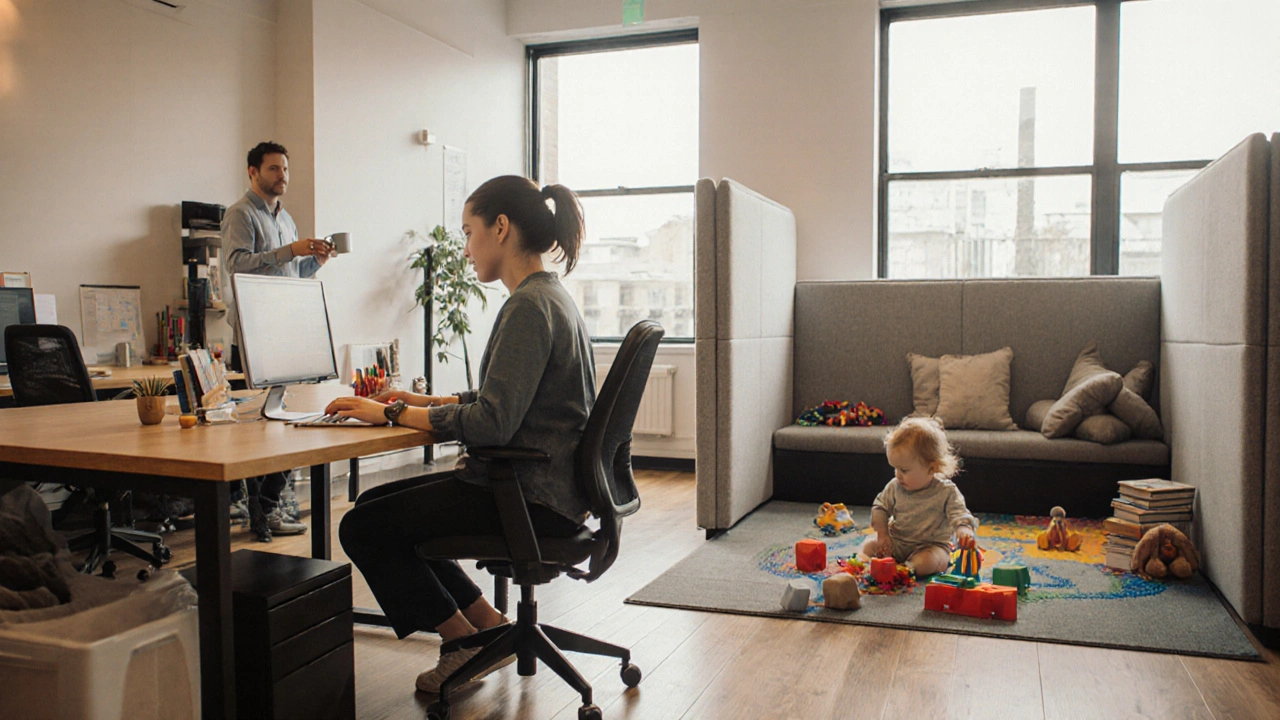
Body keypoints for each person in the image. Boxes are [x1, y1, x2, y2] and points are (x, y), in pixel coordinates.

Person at [324, 175, 593, 695]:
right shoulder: (549, 298)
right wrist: (416, 401)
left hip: (528, 496)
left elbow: (492, 423)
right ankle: (487, 625)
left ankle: (461, 642)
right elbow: (497, 400)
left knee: (362, 527)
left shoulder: (528, 308)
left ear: (500, 228)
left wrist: (391, 413)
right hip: (546, 490)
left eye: (469, 233)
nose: (466, 249)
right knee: (377, 504)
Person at [222, 141, 336, 541]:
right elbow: (237, 266)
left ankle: (266, 506)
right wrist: (289, 250)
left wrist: (313, 261)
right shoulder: (240, 214)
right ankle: (260, 509)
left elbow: (288, 274)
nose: (281, 176)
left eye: (284, 169)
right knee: (258, 428)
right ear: (252, 172)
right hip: (255, 333)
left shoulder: (285, 218)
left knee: (288, 421)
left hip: (283, 328)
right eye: (273, 169)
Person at [858, 417, 977, 576]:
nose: (898, 475)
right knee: (869, 545)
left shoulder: (946, 491)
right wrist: (882, 534)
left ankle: (907, 570)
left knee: (931, 560)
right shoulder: (895, 486)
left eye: (904, 470)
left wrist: (963, 529)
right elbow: (880, 508)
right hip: (897, 542)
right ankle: (862, 565)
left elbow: (959, 514)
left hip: (930, 546)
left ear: (931, 468)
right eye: (895, 469)